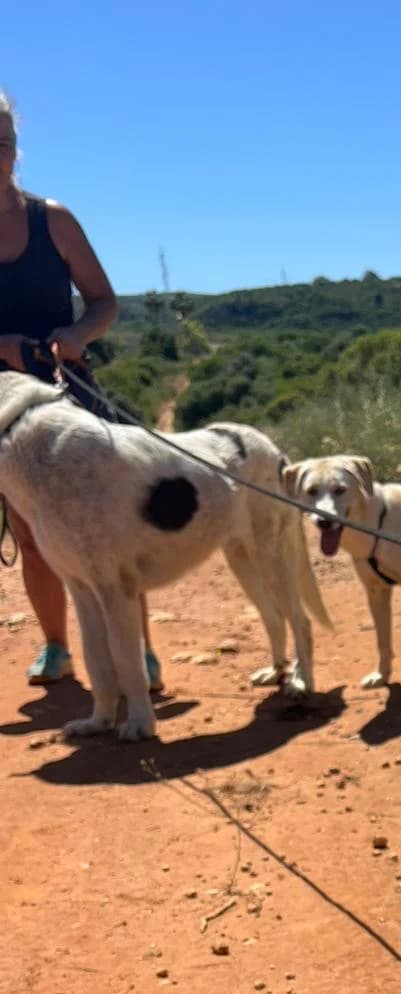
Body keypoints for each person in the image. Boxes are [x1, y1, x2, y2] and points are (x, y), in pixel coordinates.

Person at [0, 89, 160, 689]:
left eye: (4, 142)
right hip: (4, 409)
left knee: (108, 525)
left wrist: (76, 333)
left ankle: (138, 653)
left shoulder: (54, 220)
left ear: (17, 150)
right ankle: (56, 648)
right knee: (30, 532)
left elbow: (105, 301)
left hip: (67, 388)